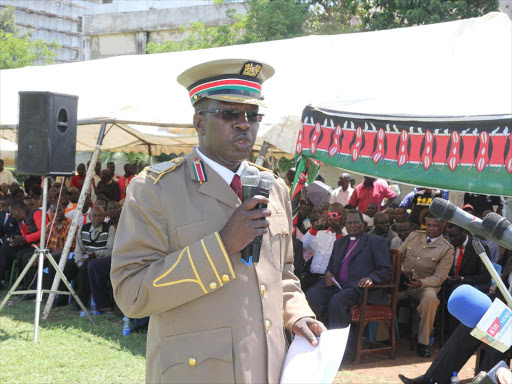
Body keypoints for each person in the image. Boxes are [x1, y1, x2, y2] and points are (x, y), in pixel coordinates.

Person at [111, 59, 324, 383]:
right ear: (199, 121)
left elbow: (282, 274)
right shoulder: (156, 190)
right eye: (229, 114)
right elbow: (131, 293)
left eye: (252, 115)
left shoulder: (274, 187)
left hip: (270, 370)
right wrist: (222, 246)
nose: (244, 124)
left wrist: (297, 314)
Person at [398, 254, 512, 384]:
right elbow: (501, 291)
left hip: (508, 328)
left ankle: (485, 381)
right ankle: (432, 379)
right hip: (505, 315)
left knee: (498, 338)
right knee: (470, 324)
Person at [305, 210, 392, 329]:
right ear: (345, 225)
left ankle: (339, 343)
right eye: (349, 223)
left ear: (364, 224)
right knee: (312, 295)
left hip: (359, 288)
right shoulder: (340, 242)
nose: (353, 226)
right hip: (337, 285)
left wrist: (371, 278)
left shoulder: (376, 242)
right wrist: (328, 273)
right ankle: (315, 334)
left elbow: (385, 269)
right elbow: (331, 266)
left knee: (337, 301)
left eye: (356, 222)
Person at [398, 215, 454, 358]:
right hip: (403, 283)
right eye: (428, 225)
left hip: (424, 286)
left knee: (430, 299)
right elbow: (399, 255)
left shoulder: (447, 249)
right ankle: (382, 338)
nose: (430, 229)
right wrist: (401, 271)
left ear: (442, 227)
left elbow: (439, 278)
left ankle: (423, 343)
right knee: (382, 294)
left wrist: (421, 283)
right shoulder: (414, 236)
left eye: (435, 226)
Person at [55, 206, 115, 307]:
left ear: (104, 216)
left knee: (85, 269)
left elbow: (110, 250)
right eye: (94, 216)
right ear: (89, 217)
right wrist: (79, 262)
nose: (97, 218)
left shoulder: (109, 228)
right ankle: (61, 298)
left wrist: (95, 254)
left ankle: (80, 302)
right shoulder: (83, 228)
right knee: (66, 266)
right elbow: (79, 250)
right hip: (84, 258)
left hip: (100, 259)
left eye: (100, 216)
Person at [300, 204, 345, 292]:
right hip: (312, 277)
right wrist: (316, 225)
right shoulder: (320, 233)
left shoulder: (347, 235)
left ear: (344, 216)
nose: (335, 216)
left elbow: (342, 252)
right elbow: (304, 244)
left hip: (330, 281)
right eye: (332, 214)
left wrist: (338, 231)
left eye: (338, 214)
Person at [445, 224, 490, 293]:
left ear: (464, 232)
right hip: (450, 282)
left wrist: (462, 279)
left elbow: (485, 276)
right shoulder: (450, 246)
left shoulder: (479, 248)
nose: (452, 239)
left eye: (455, 236)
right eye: (450, 236)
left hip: (469, 284)